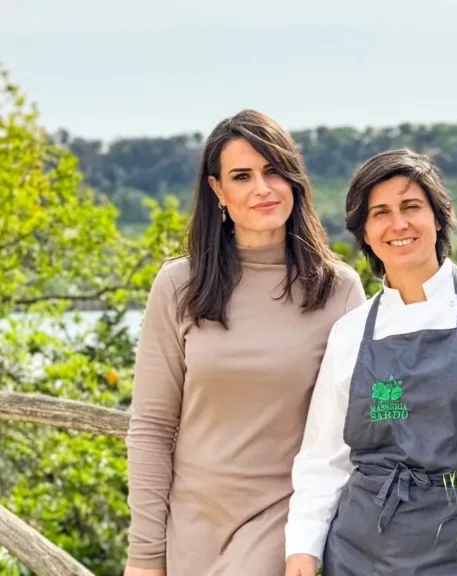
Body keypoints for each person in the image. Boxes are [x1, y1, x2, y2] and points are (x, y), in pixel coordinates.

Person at [283, 149, 457, 576]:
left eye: (411, 207)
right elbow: (323, 458)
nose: (398, 224)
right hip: (363, 556)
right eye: (380, 213)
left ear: (438, 218)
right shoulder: (350, 332)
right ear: (365, 233)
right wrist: (302, 550)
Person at [123, 110, 366, 576]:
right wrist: (146, 555)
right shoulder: (179, 285)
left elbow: (372, 409)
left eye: (274, 170)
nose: (262, 188)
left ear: (294, 179)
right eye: (242, 176)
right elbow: (152, 427)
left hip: (285, 525)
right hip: (190, 530)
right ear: (217, 190)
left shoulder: (338, 289)